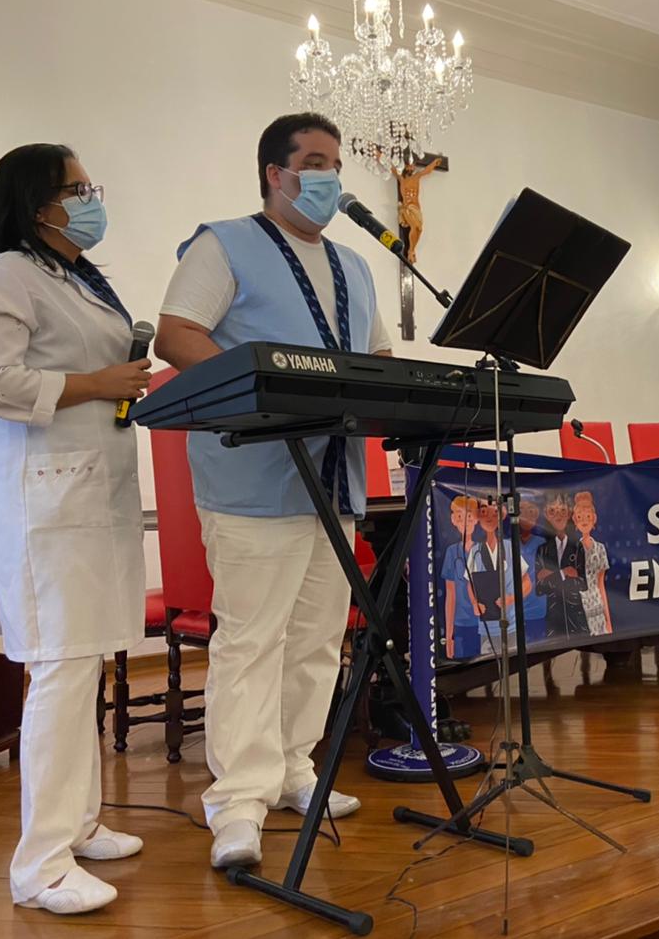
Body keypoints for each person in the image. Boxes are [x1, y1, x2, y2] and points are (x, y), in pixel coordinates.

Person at [154, 113, 394, 870]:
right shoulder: (224, 244)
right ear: (275, 174)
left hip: (336, 481)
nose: (330, 177)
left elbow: (378, 358)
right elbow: (176, 334)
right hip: (254, 480)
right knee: (252, 642)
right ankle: (237, 802)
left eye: (336, 164)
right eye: (315, 162)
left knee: (319, 640)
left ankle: (293, 768)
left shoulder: (355, 266)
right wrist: (262, 393)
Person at [0, 144, 149, 915]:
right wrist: (100, 383)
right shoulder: (4, 273)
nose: (92, 197)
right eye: (78, 188)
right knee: (62, 670)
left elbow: (52, 378)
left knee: (86, 661)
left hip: (89, 490)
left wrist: (115, 385)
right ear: (39, 204)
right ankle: (39, 866)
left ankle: (78, 823)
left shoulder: (76, 279)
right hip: (49, 503)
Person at [466, 497, 532, 655]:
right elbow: (470, 583)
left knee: (514, 661)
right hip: (487, 626)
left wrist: (511, 599)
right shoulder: (475, 551)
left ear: (502, 516)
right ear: (478, 517)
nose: (489, 517)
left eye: (495, 512)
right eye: (484, 512)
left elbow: (527, 583)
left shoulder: (509, 548)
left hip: (511, 623)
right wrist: (475, 603)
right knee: (488, 664)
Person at [535, 492, 589, 639]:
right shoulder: (543, 550)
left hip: (576, 615)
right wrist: (563, 573)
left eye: (562, 510)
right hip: (554, 616)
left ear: (569, 513)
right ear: (546, 514)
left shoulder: (577, 547)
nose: (558, 515)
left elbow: (582, 583)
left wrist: (550, 575)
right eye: (553, 511)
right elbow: (540, 588)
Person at [441, 495, 481, 659]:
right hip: (461, 623)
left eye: (469, 517)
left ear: (476, 519)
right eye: (459, 517)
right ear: (453, 520)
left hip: (484, 622)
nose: (465, 522)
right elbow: (450, 594)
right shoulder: (452, 552)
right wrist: (449, 635)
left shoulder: (483, 550)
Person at [571, 492, 612, 636]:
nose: (584, 521)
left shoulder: (600, 548)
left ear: (594, 519)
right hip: (579, 612)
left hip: (598, 610)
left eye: (588, 517)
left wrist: (608, 620)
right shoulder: (572, 550)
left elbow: (601, 585)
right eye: (580, 517)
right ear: (575, 520)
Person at [516, 493, 548, 643]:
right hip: (514, 611)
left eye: (530, 510)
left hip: (538, 610)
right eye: (521, 510)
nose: (526, 515)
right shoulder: (507, 544)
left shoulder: (543, 543)